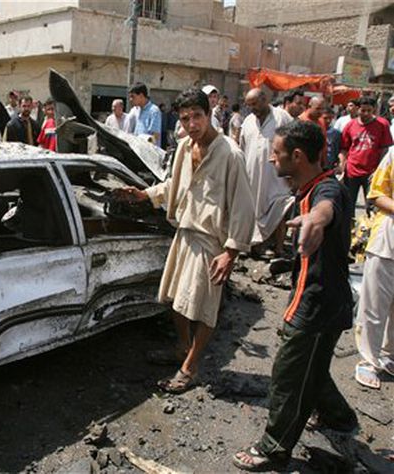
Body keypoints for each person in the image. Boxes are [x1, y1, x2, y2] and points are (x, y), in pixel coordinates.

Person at [232, 120, 357, 472]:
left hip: (316, 305)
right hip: (324, 300)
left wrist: (315, 221)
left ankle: (274, 448)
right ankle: (340, 419)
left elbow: (325, 210)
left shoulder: (325, 192)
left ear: (298, 156)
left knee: (288, 375)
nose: (272, 160)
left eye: (276, 154)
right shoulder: (310, 188)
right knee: (311, 368)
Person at [113, 88, 254, 394]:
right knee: (176, 300)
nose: (192, 124)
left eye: (197, 116)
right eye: (185, 118)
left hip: (211, 242)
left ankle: (190, 368)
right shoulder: (183, 148)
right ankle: (182, 347)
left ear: (209, 113)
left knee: (204, 308)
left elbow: (244, 206)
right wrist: (145, 195)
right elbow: (174, 185)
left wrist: (231, 251)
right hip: (183, 232)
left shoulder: (230, 154)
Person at [353, 146, 394, 389]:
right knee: (375, 303)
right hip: (387, 238)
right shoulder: (392, 154)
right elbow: (376, 194)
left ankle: (389, 355)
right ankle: (368, 359)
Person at [241, 88, 293, 257]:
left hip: (276, 175)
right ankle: (255, 245)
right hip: (252, 175)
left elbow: (293, 141)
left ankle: (278, 247)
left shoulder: (282, 117)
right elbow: (242, 147)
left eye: (255, 104)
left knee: (279, 209)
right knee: (252, 211)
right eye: (249, 105)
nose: (252, 109)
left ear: (264, 99)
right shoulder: (248, 121)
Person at [338, 95, 393, 221]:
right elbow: (344, 149)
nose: (366, 113)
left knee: (372, 205)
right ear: (357, 109)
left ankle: (368, 233)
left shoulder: (382, 124)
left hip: (372, 173)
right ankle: (349, 233)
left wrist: (379, 170)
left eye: (369, 110)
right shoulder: (350, 125)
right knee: (348, 206)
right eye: (363, 110)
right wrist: (342, 167)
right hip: (352, 171)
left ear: (374, 110)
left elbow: (385, 150)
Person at [129, 82, 162, 147]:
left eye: (133, 96)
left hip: (149, 152)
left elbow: (155, 137)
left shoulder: (154, 111)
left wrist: (144, 144)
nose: (130, 99)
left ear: (141, 96)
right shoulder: (137, 110)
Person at [298, 96, 328, 165]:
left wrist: (324, 161)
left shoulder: (321, 121)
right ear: (309, 106)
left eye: (322, 109)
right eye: (318, 109)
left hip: (317, 164)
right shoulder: (301, 121)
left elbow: (324, 143)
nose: (320, 112)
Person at [323, 107, 341, 171]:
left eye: (330, 118)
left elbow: (338, 149)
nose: (328, 121)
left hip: (330, 166)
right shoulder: (315, 131)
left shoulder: (336, 133)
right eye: (325, 118)